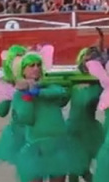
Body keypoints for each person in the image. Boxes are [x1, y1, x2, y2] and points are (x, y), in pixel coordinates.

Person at [12, 51, 89, 182]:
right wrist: (27, 95)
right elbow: (27, 118)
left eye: (38, 65)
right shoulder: (19, 95)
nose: (36, 68)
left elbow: (61, 94)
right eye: (31, 66)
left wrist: (38, 92)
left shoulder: (50, 85)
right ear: (23, 71)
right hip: (36, 145)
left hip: (57, 143)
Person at [65, 53, 105, 182]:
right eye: (86, 60)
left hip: (88, 131)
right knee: (73, 168)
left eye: (91, 61)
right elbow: (62, 101)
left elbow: (89, 102)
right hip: (72, 129)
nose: (88, 64)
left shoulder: (98, 86)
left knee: (82, 167)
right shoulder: (73, 81)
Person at [0, 45, 28, 165]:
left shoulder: (8, 85)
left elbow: (2, 111)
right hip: (37, 128)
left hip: (21, 130)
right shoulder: (39, 80)